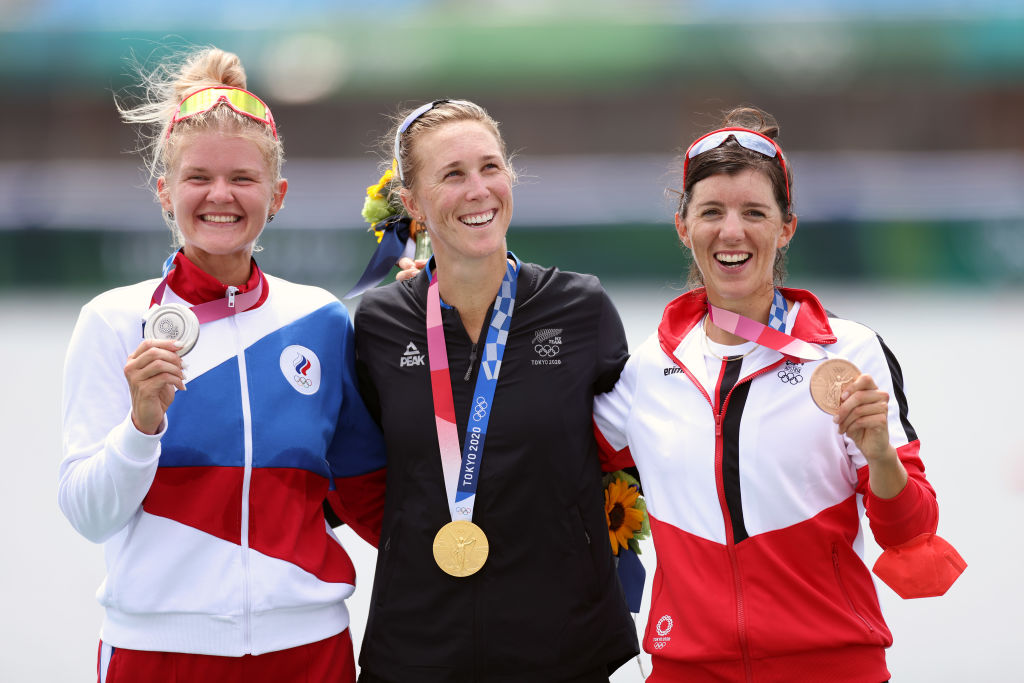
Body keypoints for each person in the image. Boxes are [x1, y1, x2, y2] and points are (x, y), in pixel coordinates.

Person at [593, 106, 961, 682]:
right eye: (711, 211)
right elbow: (540, 450)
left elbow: (908, 530)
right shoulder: (645, 370)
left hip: (831, 664)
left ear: (786, 226)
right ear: (683, 226)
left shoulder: (849, 352)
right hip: (685, 667)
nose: (731, 231)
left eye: (754, 213)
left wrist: (880, 455)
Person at [58, 47, 386, 683]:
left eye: (242, 178)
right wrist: (141, 427)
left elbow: (371, 497)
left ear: (277, 194)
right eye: (197, 178)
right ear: (164, 192)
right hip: (157, 655)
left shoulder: (319, 319)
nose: (220, 196)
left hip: (310, 652)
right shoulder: (111, 321)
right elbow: (87, 514)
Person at [352, 99, 640, 682]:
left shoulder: (580, 308)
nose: (478, 190)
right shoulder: (379, 324)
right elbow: (361, 476)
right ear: (411, 204)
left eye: (490, 167)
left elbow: (638, 451)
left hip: (564, 649)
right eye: (452, 175)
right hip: (418, 647)